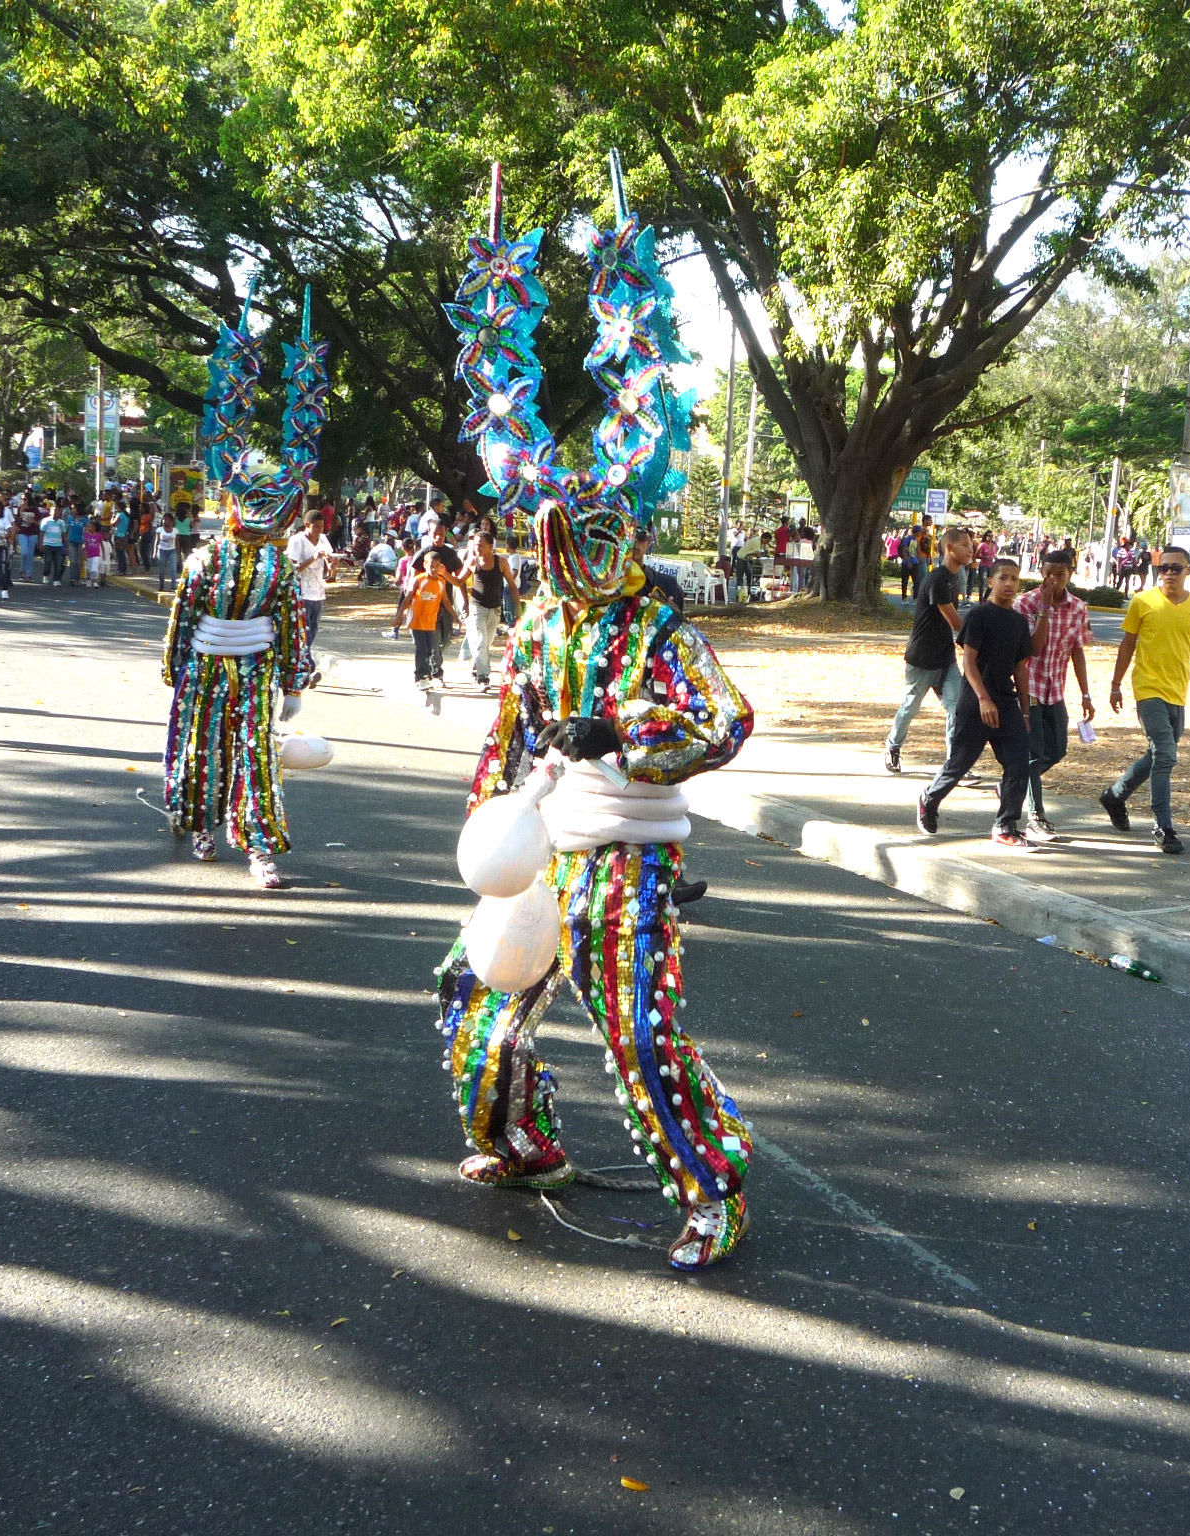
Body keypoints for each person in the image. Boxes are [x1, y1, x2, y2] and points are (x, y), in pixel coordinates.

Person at [431, 204, 753, 1270]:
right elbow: (511, 728)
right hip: (540, 847)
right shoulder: (532, 622)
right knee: (472, 1001)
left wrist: (621, 738)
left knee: (637, 1030)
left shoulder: (659, 628)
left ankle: (712, 1193)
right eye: (575, 536)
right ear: (548, 539)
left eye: (611, 534)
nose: (591, 554)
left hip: (628, 854)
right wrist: (489, 826)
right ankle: (519, 1141)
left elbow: (725, 720)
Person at [163, 301, 325, 890]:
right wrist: (177, 667)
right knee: (203, 746)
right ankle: (200, 823)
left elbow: (289, 625)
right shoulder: (206, 558)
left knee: (255, 755)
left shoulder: (279, 567)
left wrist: (292, 677)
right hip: (209, 665)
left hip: (253, 668)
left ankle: (258, 846)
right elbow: (184, 620)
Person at [915, 558, 1037, 849]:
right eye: (1003, 578)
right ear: (991, 582)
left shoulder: (1019, 622)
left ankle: (1006, 825)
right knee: (960, 763)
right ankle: (929, 798)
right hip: (976, 700)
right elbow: (967, 661)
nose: (1009, 584)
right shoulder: (979, 616)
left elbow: (1021, 668)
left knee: (1019, 763)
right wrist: (983, 698)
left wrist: (1025, 710)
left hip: (1006, 701)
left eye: (1014, 579)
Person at [1099, 543, 1190, 855]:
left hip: (1178, 690)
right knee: (1165, 754)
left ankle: (1115, 795)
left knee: (1160, 753)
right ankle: (1164, 826)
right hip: (1147, 689)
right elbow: (1127, 644)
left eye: (1177, 568)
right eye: (1165, 568)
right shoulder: (1143, 601)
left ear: (1188, 571)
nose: (1170, 574)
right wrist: (1116, 684)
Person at [1014, 547, 1094, 842]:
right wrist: (1044, 609)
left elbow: (1077, 650)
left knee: (1057, 750)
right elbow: (1029, 649)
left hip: (1055, 689)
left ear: (1070, 574)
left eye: (1059, 575)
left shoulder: (1078, 608)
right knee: (1034, 752)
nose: (1052, 580)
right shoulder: (1026, 604)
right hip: (1030, 686)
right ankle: (1036, 817)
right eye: (1047, 574)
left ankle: (1018, 780)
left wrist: (1086, 693)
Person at [883, 525, 973, 774]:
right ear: (950, 548)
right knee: (911, 706)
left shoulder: (954, 577)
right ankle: (893, 747)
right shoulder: (937, 579)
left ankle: (955, 764)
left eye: (971, 545)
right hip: (921, 658)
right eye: (965, 545)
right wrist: (981, 640)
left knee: (957, 709)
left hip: (945, 659)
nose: (971, 549)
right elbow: (955, 622)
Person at [393, 537, 458, 696]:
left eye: (437, 566)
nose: (433, 569)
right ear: (424, 565)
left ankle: (428, 676)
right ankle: (420, 677)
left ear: (441, 566)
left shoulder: (441, 582)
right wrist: (399, 617)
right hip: (417, 621)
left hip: (431, 622)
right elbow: (408, 598)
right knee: (421, 649)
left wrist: (456, 617)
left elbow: (446, 602)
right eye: (431, 566)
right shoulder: (418, 580)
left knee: (432, 650)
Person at [460, 522, 514, 688]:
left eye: (481, 545)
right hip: (477, 607)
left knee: (486, 643)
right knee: (481, 641)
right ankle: (483, 678)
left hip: (495, 609)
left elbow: (512, 586)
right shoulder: (472, 561)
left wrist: (517, 608)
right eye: (476, 545)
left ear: (491, 546)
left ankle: (476, 669)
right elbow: (459, 581)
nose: (478, 548)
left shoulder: (502, 563)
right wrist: (444, 575)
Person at [286, 509, 335, 638]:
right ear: (307, 525)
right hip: (302, 591)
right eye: (316, 526)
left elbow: (329, 560)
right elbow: (293, 568)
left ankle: (307, 654)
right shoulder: (297, 540)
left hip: (318, 592)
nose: (320, 530)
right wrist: (313, 557)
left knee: (313, 627)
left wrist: (332, 565)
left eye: (322, 526)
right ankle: (305, 656)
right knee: (303, 628)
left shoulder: (323, 539)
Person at [632, 527, 685, 606]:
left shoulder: (669, 586)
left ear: (649, 543)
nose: (631, 540)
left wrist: (669, 612)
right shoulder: (607, 587)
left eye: (640, 535)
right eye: (624, 533)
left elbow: (681, 618)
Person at [38, 504, 68, 585]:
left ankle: (56, 579)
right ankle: (46, 574)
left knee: (58, 563)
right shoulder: (46, 521)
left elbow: (64, 534)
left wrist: (66, 545)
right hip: (48, 544)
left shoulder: (61, 522)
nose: (56, 512)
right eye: (54, 511)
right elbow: (42, 533)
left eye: (57, 511)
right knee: (47, 561)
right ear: (50, 512)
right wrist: (40, 544)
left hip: (58, 545)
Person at [154, 512, 180, 589]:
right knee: (162, 569)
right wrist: (154, 552)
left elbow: (177, 543)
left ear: (171, 521)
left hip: (172, 550)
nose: (164, 521)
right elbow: (157, 541)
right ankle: (161, 585)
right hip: (162, 550)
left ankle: (173, 586)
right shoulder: (159, 529)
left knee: (173, 569)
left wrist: (178, 554)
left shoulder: (175, 530)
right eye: (163, 519)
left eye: (166, 519)